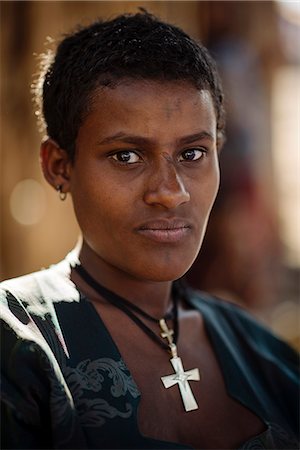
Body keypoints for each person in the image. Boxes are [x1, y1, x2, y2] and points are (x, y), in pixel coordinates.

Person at [0, 11, 298, 450]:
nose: (170, 193)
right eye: (127, 156)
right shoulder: (17, 343)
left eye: (193, 153)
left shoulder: (261, 353)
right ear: (59, 166)